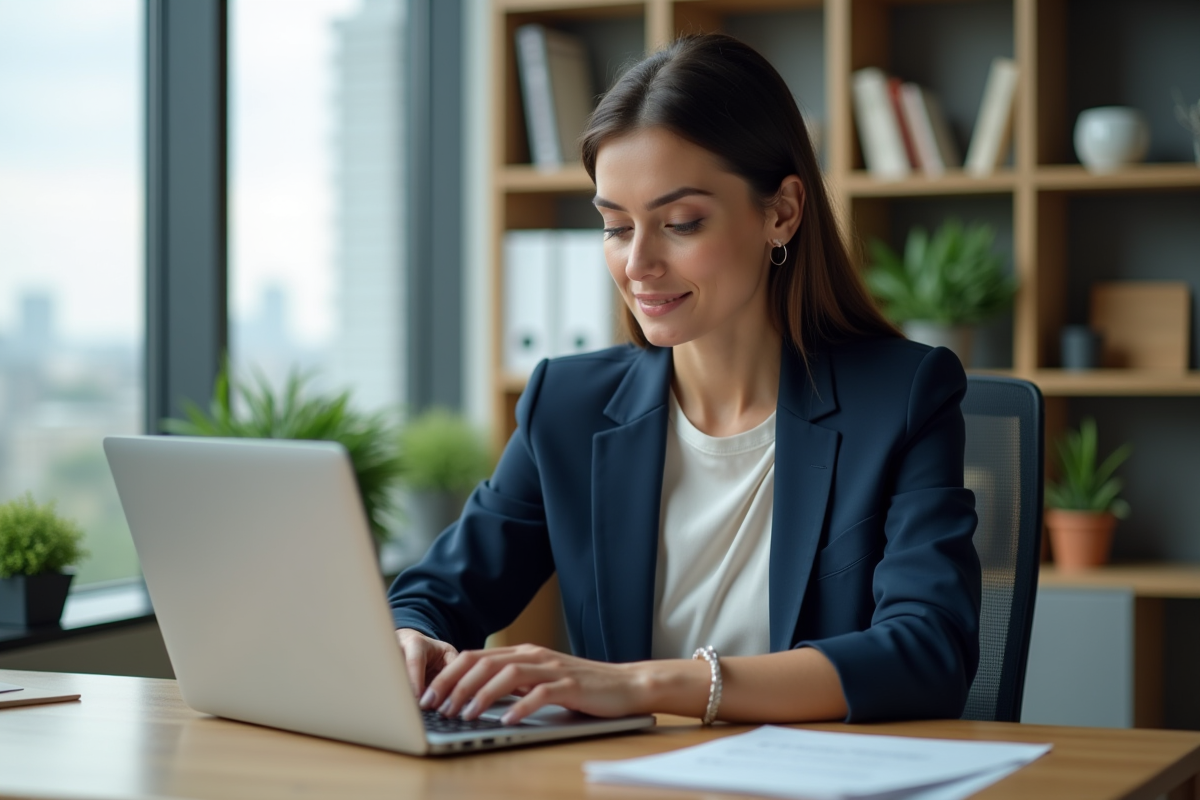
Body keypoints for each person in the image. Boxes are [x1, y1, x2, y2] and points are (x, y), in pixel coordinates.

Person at [387, 33, 980, 727]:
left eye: (681, 222)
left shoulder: (903, 398)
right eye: (614, 226)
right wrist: (413, 639)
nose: (638, 263)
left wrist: (644, 687)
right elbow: (436, 595)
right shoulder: (568, 406)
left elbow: (927, 651)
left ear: (781, 212)